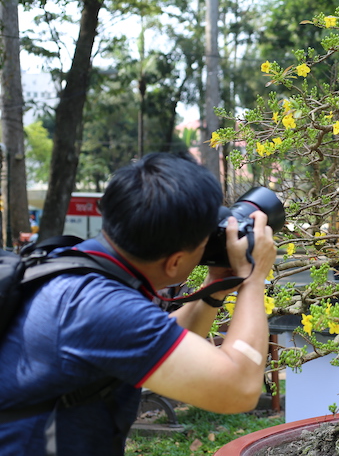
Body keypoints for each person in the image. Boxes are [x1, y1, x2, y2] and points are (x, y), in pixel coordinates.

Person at [0, 153, 277, 455]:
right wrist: (253, 277)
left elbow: (158, 346)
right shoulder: (101, 307)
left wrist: (213, 290)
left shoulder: (71, 264)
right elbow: (240, 390)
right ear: (174, 263)